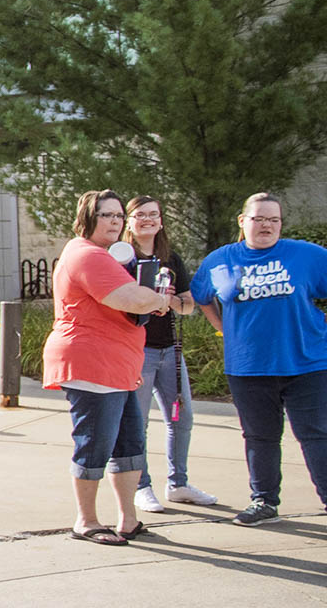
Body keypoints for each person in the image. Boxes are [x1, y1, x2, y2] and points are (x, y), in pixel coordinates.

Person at [43, 190, 174, 546]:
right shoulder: (87, 254)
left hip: (119, 365)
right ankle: (85, 521)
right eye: (106, 215)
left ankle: (128, 520)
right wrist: (160, 298)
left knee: (130, 443)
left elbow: (134, 296)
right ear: (88, 218)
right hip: (92, 364)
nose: (115, 221)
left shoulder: (104, 256)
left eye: (118, 215)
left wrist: (150, 296)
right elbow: (128, 299)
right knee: (95, 444)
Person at [190, 192, 327, 527]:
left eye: (273, 220)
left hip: (307, 363)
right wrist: (221, 327)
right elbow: (201, 295)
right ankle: (264, 501)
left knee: (316, 434)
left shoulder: (307, 255)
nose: (266, 225)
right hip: (248, 368)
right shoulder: (221, 260)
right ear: (242, 221)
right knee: (260, 436)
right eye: (258, 219)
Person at [122, 196, 219, 512]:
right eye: (140, 214)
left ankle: (178, 484)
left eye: (154, 214)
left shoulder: (171, 259)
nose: (148, 219)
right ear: (129, 221)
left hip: (170, 352)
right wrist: (148, 300)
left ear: (161, 221)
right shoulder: (123, 259)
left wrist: (169, 301)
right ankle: (141, 485)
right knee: (138, 423)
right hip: (139, 351)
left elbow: (189, 306)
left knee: (181, 418)